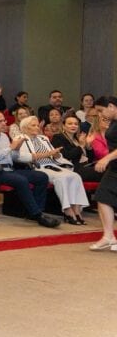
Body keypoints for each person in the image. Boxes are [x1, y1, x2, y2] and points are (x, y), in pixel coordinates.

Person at [0, 111, 60, 227]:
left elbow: (13, 157)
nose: (4, 123)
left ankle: (37, 210)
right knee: (21, 180)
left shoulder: (3, 136)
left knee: (41, 177)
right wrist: (10, 148)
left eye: (4, 120)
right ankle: (37, 215)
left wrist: (16, 149)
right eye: (0, 121)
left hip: (9, 169)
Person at [15, 115, 88, 225]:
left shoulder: (43, 138)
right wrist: (48, 154)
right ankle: (67, 211)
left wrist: (57, 155)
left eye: (37, 125)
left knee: (76, 176)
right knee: (62, 178)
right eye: (33, 125)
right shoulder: (20, 139)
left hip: (53, 165)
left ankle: (77, 211)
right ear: (25, 127)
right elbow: (22, 157)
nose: (37, 127)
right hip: (38, 167)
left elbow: (56, 155)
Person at [87, 97, 117, 251]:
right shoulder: (113, 122)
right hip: (114, 167)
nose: (99, 114)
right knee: (102, 196)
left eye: (101, 110)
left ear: (111, 106)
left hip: (112, 163)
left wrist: (106, 158)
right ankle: (108, 236)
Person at [52, 113, 104, 182]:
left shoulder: (77, 139)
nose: (73, 125)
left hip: (86, 166)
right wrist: (81, 146)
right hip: (71, 169)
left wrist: (88, 146)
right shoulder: (58, 137)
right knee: (104, 173)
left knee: (108, 168)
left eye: (76, 124)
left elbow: (90, 159)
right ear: (64, 126)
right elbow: (66, 156)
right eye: (70, 124)